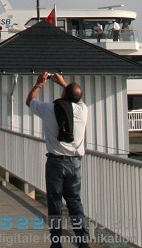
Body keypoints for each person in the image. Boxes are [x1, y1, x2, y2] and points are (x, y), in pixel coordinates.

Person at [26, 72, 90, 245]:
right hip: (75, 162)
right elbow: (76, 96)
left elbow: (30, 101)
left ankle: (56, 242)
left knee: (55, 204)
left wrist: (40, 84)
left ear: (63, 95)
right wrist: (63, 83)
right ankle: (83, 240)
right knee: (75, 202)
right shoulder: (83, 110)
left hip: (55, 161)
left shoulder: (50, 108)